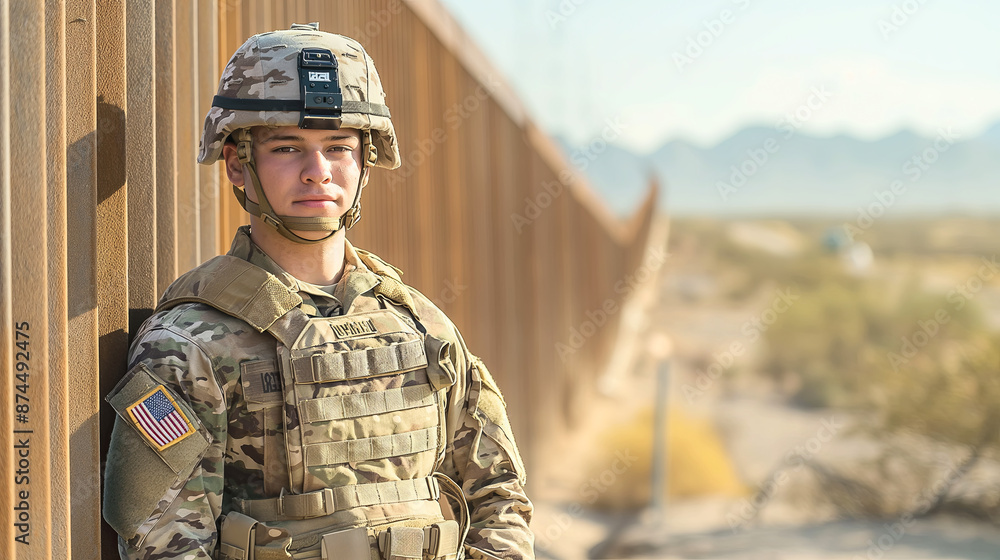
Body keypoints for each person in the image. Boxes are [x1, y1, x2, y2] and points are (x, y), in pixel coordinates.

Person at [102, 23, 533, 560]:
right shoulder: (189, 343)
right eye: (287, 148)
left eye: (337, 148)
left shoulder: (418, 323)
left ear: (364, 161)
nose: (317, 172)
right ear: (238, 163)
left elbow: (499, 499)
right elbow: (165, 544)